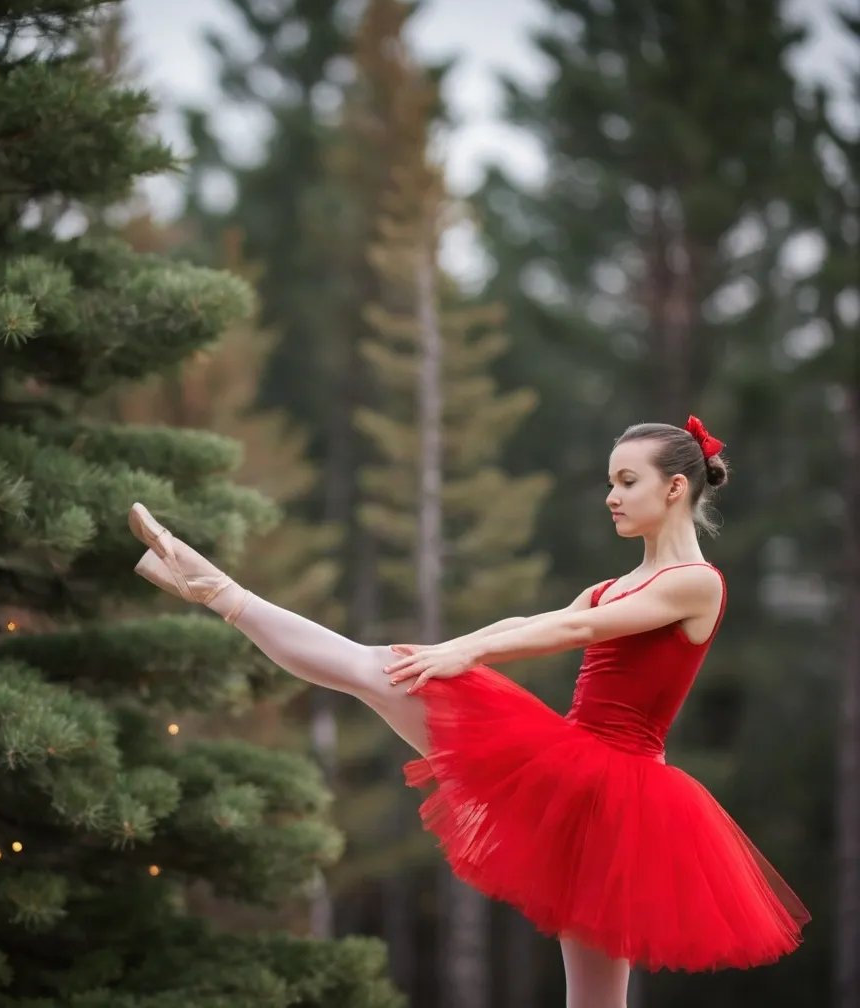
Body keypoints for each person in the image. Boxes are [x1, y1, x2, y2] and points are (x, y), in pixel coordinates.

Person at [127, 415, 809, 1008]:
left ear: (674, 488)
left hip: (614, 788)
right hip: (574, 773)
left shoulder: (694, 583)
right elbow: (537, 618)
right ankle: (214, 587)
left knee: (598, 995)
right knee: (376, 668)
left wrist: (464, 653)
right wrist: (456, 649)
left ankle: (212, 585)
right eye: (610, 480)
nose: (610, 495)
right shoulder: (613, 583)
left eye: (626, 481)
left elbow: (573, 634)